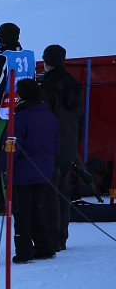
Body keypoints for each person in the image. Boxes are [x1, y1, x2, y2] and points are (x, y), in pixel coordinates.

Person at [0, 22, 30, 216]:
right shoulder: (27, 56)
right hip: (24, 114)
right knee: (19, 160)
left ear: (0, 38)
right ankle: (16, 201)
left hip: (2, 117)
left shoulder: (2, 59)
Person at [8, 78, 59, 263]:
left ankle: (23, 251)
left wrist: (3, 168)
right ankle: (45, 246)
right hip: (44, 170)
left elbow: (12, 147)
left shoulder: (20, 117)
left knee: (21, 212)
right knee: (36, 209)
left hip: (23, 173)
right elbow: (56, 145)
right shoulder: (49, 116)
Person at [38, 44, 82, 251]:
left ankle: (52, 237)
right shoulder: (73, 83)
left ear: (46, 61)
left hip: (50, 147)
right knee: (63, 192)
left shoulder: (47, 87)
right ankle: (62, 236)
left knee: (49, 193)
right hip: (69, 144)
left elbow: (44, 119)